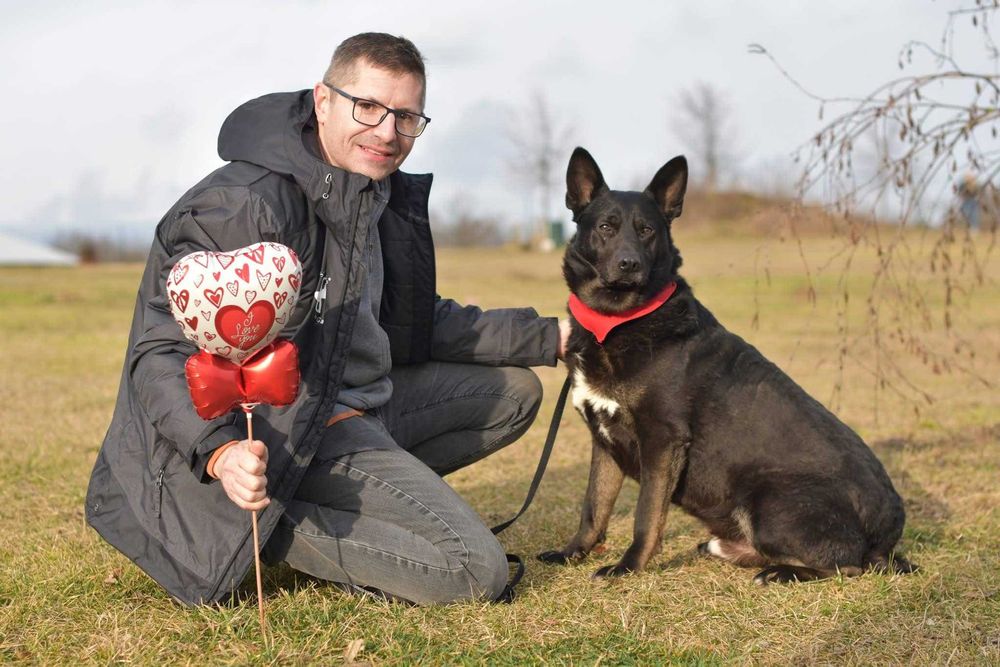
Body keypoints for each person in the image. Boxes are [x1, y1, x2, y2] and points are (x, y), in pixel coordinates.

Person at [86, 32, 568, 606]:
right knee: (473, 572)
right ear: (323, 101)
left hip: (352, 408)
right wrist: (219, 451)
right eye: (368, 107)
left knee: (513, 392)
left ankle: (359, 503)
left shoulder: (373, 191)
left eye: (407, 117)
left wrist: (553, 337)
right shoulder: (245, 204)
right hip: (278, 431)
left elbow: (412, 322)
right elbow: (160, 350)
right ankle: (271, 529)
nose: (388, 132)